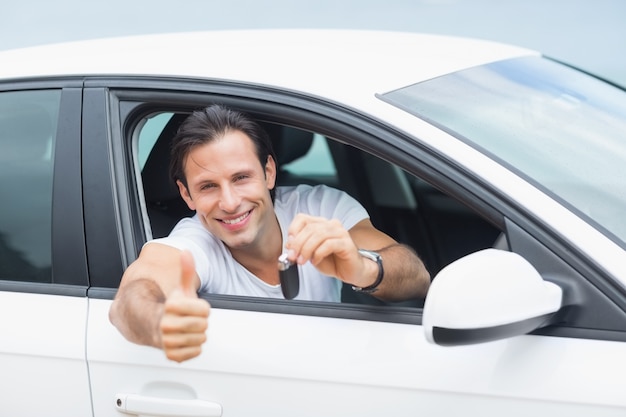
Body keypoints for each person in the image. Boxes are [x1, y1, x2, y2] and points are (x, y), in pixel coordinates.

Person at [109, 104, 430, 362]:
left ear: (269, 172)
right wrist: (161, 322)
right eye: (208, 186)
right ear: (187, 195)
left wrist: (363, 268)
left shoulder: (320, 206)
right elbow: (131, 298)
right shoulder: (192, 244)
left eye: (241, 178)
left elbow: (416, 277)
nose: (230, 202)